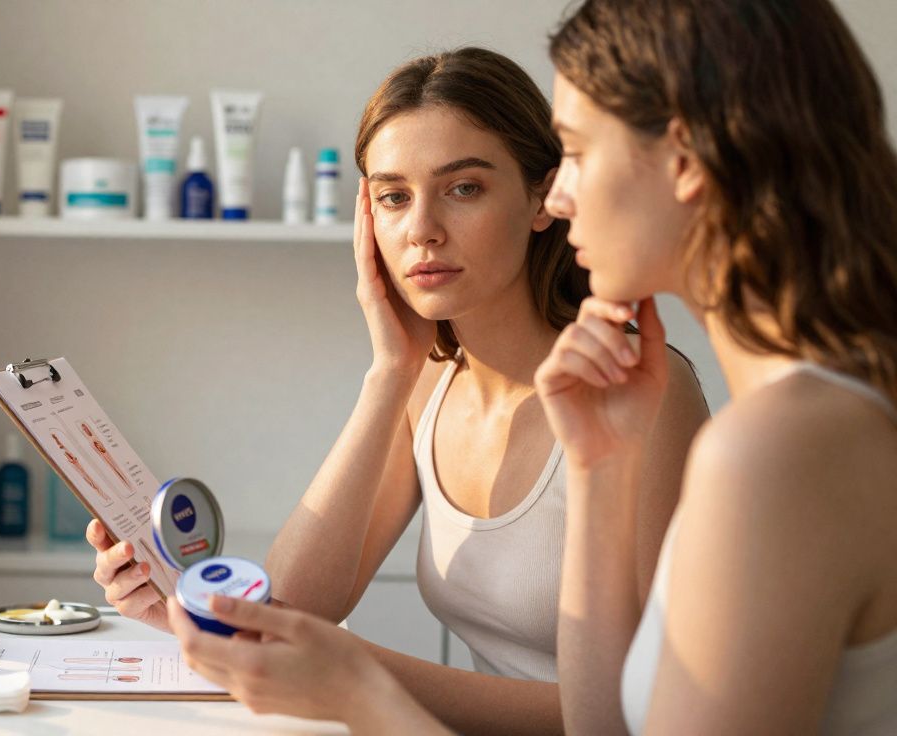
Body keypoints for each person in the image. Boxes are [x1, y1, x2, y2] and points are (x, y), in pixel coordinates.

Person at [91, 46, 708, 733]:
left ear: (543, 197)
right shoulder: (428, 386)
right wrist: (388, 375)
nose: (421, 231)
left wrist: (356, 672)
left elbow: (645, 712)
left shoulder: (637, 394)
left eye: (463, 188)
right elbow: (293, 606)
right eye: (393, 197)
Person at [538, 0, 897, 732]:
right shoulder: (819, 416)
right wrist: (600, 470)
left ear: (685, 158)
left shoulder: (780, 453)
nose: (555, 197)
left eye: (575, 153)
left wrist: (368, 700)